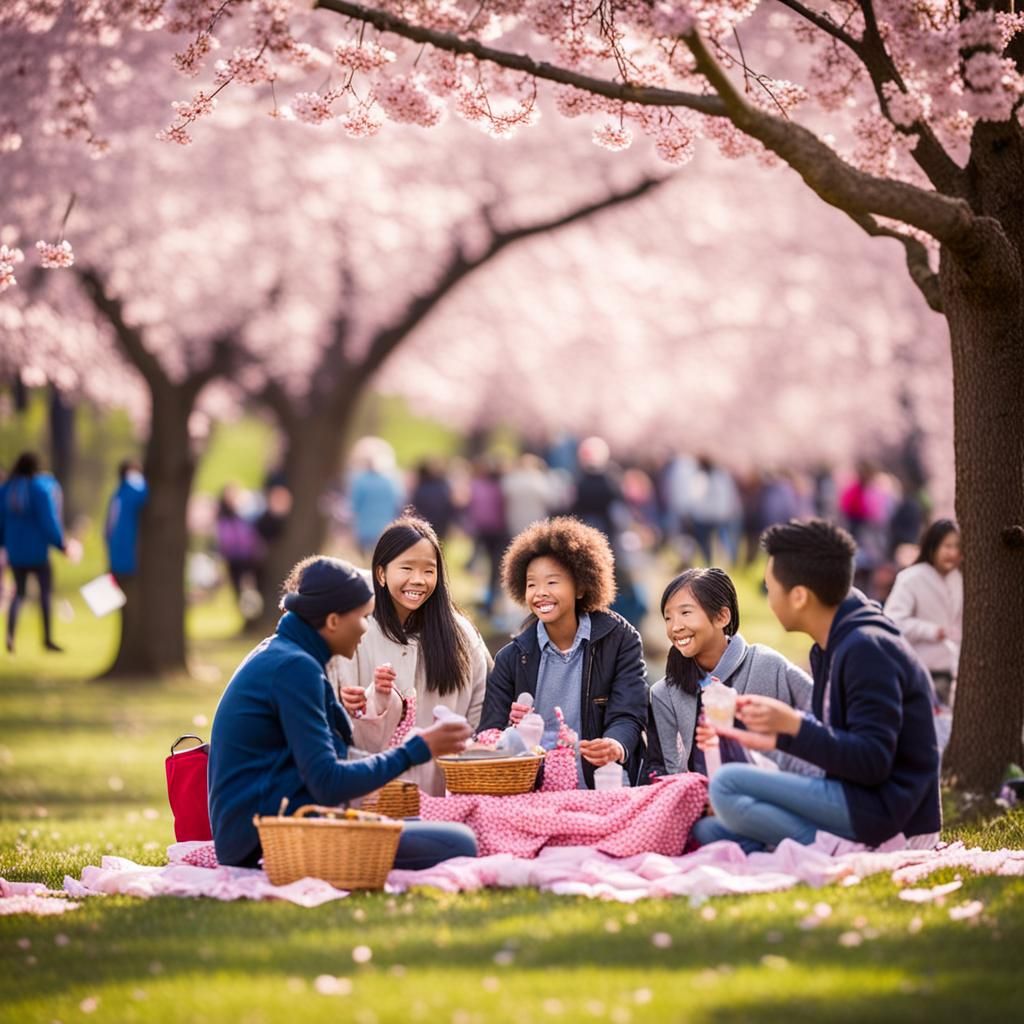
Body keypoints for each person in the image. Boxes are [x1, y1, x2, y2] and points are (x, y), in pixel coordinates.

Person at [207, 555, 478, 869]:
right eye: (363, 617)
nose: (365, 629)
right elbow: (328, 782)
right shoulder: (294, 668)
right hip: (265, 841)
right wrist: (417, 749)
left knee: (419, 823)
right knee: (460, 841)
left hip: (267, 828)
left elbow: (329, 762)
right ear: (333, 621)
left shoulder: (287, 655)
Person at [692, 518, 941, 853]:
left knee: (727, 784)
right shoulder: (829, 647)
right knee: (710, 830)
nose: (769, 599)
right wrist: (776, 737)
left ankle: (834, 848)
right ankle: (814, 842)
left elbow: (872, 761)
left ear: (798, 596)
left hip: (889, 817)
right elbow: (837, 748)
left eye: (769, 588)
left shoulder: (867, 649)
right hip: (854, 798)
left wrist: (794, 725)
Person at [479, 516, 648, 787]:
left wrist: (614, 744)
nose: (540, 593)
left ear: (580, 587)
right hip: (534, 791)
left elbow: (629, 713)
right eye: (531, 584)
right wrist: (511, 733)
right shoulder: (511, 658)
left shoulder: (620, 641)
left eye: (552, 582)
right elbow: (489, 734)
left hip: (603, 785)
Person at [329, 515, 491, 796]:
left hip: (442, 794)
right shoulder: (354, 631)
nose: (418, 580)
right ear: (381, 574)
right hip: (369, 797)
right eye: (406, 568)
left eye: (429, 570)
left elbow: (482, 715)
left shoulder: (463, 636)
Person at [647, 567, 814, 777]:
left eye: (685, 613)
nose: (675, 627)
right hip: (698, 795)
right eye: (668, 618)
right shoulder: (664, 694)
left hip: (774, 789)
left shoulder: (768, 665)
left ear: (722, 617)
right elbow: (664, 771)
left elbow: (824, 718)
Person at [0, 452, 74, 654]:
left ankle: (10, 636)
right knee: (45, 594)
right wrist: (61, 544)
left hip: (15, 552)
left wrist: (3, 543)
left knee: (19, 594)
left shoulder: (6, 490)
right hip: (38, 552)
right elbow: (49, 521)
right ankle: (47, 639)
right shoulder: (39, 489)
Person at [883, 518, 962, 708]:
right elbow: (893, 621)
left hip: (953, 671)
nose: (952, 553)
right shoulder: (911, 578)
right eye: (947, 546)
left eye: (957, 547)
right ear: (932, 545)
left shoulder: (960, 579)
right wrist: (933, 631)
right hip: (920, 668)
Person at [105, 459, 148, 580]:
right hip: (129, 556)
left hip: (116, 555)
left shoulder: (118, 493)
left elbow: (108, 529)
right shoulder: (136, 489)